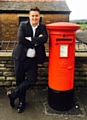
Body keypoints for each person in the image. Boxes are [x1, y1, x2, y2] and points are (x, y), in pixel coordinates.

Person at [7, 7, 48, 113]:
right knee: (20, 81)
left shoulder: (42, 26)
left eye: (36, 16)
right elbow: (20, 39)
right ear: (29, 16)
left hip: (33, 60)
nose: (34, 17)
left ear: (39, 16)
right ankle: (21, 102)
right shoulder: (23, 25)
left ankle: (13, 94)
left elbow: (44, 39)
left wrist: (29, 39)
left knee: (32, 80)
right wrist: (35, 41)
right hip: (20, 58)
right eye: (32, 15)